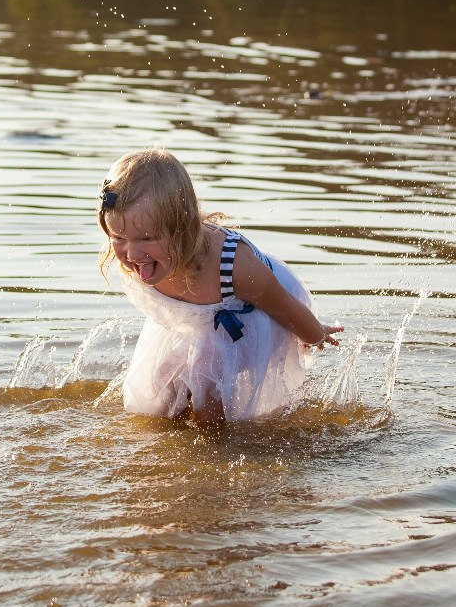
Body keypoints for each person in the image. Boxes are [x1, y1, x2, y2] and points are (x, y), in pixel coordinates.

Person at [97, 148, 341, 424]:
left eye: (146, 238)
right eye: (118, 237)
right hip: (196, 322)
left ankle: (215, 450)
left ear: (182, 227)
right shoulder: (145, 260)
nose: (132, 254)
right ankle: (167, 448)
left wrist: (314, 334)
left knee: (205, 379)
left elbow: (284, 305)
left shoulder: (234, 265)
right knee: (159, 392)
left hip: (251, 319)